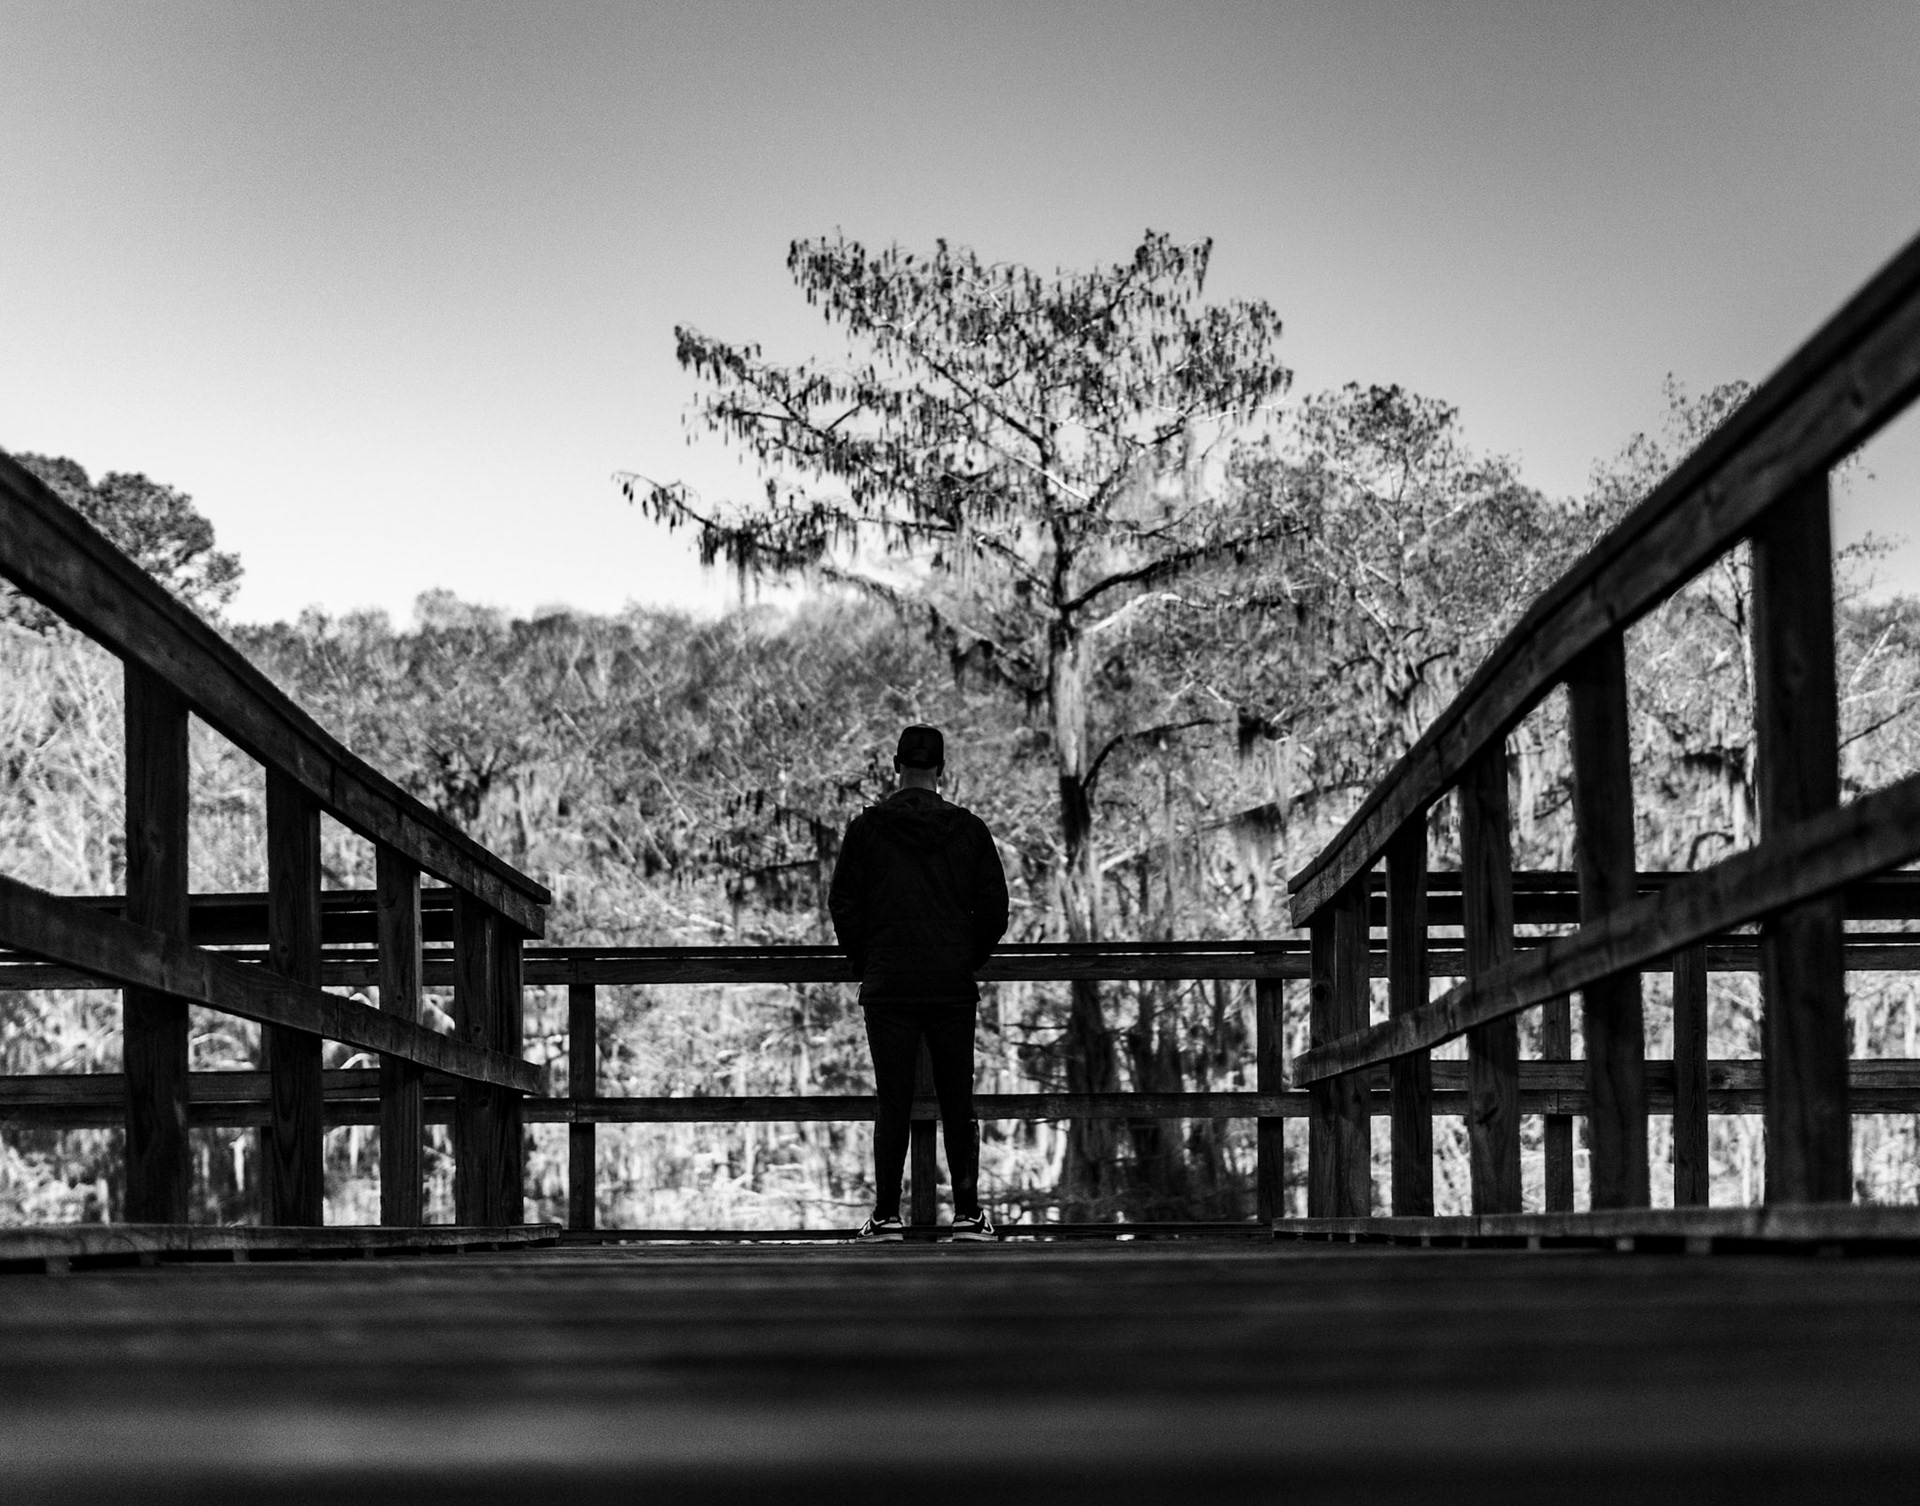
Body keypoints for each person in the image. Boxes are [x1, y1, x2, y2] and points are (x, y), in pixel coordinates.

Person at [829, 724, 1010, 1242]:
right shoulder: (969, 831)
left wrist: (868, 960)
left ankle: (887, 1215)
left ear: (895, 766)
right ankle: (968, 1214)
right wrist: (965, 958)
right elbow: (995, 910)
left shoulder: (866, 831)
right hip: (950, 983)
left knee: (893, 1100)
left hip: (889, 983)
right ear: (942, 770)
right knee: (958, 1101)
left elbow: (843, 904)